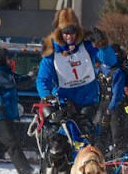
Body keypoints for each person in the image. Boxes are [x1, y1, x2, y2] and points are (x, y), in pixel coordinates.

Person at [36, 8, 116, 137]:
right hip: (64, 102)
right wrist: (46, 96)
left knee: (86, 134)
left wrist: (103, 45)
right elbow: (43, 79)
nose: (69, 36)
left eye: (72, 32)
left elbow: (110, 61)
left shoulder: (87, 46)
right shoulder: (52, 53)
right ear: (59, 33)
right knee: (63, 137)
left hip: (87, 100)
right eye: (65, 33)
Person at [95, 49, 127, 156]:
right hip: (100, 105)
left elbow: (117, 94)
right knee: (99, 135)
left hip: (114, 107)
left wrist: (110, 109)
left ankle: (119, 155)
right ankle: (99, 155)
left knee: (117, 134)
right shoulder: (98, 71)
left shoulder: (117, 72)